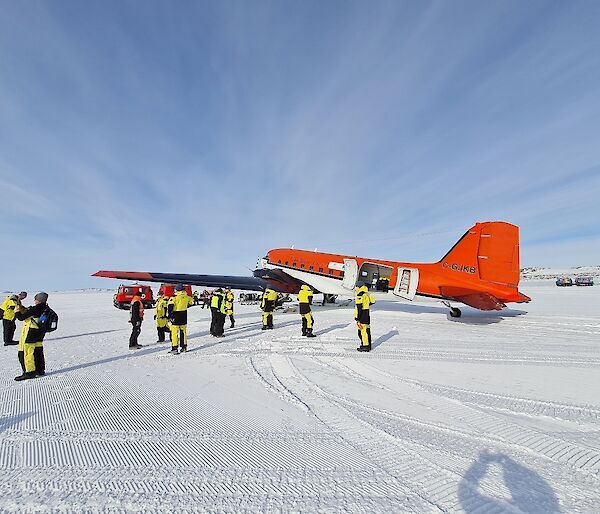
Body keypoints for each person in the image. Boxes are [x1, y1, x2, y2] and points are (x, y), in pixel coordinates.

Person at [14, 292, 49, 381]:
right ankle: (40, 370)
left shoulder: (36, 308)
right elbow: (29, 312)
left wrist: (17, 308)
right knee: (38, 351)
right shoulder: (46, 307)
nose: (34, 301)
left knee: (27, 352)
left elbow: (21, 317)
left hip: (31, 332)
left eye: (35, 299)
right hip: (40, 333)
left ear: (38, 300)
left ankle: (29, 372)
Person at [168, 284, 194, 353]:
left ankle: (175, 348)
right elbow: (192, 302)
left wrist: (170, 316)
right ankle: (184, 347)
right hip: (184, 315)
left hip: (176, 315)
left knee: (174, 333)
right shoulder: (187, 297)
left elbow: (170, 307)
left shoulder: (174, 298)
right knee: (183, 332)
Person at [354, 281, 376, 352]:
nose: (355, 287)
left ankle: (365, 346)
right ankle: (368, 345)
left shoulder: (359, 295)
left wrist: (357, 318)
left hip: (362, 315)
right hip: (367, 313)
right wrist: (366, 305)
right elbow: (373, 301)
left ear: (359, 286)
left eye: (356, 286)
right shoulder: (367, 293)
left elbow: (359, 307)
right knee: (367, 330)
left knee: (362, 332)